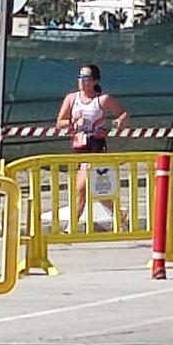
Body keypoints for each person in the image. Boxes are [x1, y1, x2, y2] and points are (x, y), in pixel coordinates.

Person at [54, 64, 129, 227]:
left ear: (95, 81)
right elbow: (59, 123)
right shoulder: (72, 98)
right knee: (97, 189)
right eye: (80, 77)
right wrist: (73, 123)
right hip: (79, 146)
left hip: (96, 147)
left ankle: (70, 227)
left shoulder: (102, 100)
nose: (82, 81)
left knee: (81, 187)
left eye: (86, 78)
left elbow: (122, 112)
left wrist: (119, 121)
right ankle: (119, 213)